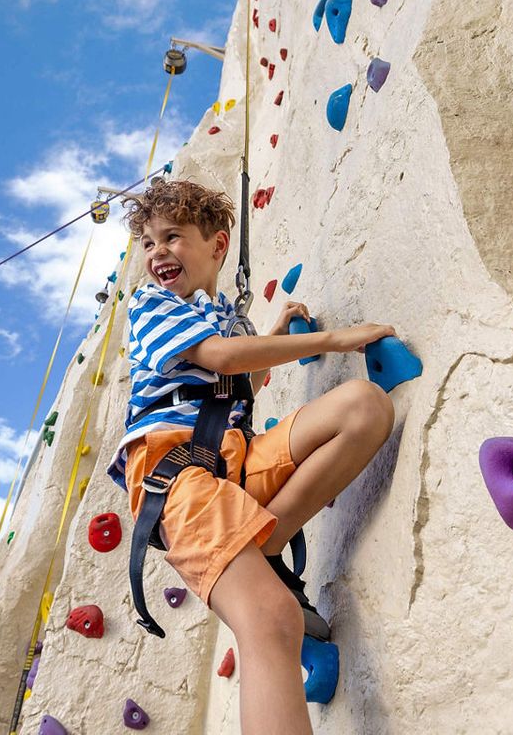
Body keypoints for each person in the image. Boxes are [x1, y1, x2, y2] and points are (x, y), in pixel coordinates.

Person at [106, 180, 395, 734]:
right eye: (147, 242)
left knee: (364, 406)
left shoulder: (218, 314)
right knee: (270, 618)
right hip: (180, 476)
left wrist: (273, 335)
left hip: (231, 462)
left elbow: (238, 383)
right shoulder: (152, 305)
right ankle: (260, 554)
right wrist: (330, 341)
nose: (156, 251)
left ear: (218, 245)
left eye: (172, 237)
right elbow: (218, 357)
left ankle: (267, 541)